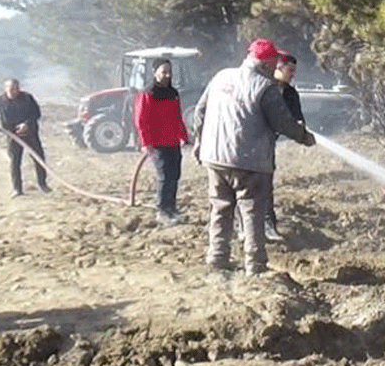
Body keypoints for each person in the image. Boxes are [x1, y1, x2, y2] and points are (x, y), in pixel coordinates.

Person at [193, 38, 316, 276]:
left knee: (220, 207)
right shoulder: (264, 87)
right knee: (252, 211)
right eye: (274, 62)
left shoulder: (221, 77)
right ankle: (255, 264)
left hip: (215, 157)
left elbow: (200, 110)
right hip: (248, 160)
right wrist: (304, 137)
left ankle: (217, 257)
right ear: (268, 62)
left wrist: (199, 141)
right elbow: (282, 123)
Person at [134, 58, 190, 226]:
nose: (167, 75)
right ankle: (162, 211)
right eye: (163, 72)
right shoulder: (147, 93)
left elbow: (177, 117)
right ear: (155, 72)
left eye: (169, 72)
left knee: (175, 175)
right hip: (157, 144)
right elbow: (141, 120)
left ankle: (172, 208)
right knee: (164, 176)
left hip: (173, 142)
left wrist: (184, 136)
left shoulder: (173, 93)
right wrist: (145, 142)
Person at [0, 78, 49, 197]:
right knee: (15, 162)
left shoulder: (27, 98)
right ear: (5, 89)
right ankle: (17, 189)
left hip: (30, 134)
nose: (15, 91)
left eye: (17, 88)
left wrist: (27, 124)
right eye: (12, 89)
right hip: (12, 135)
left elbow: (36, 113)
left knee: (39, 158)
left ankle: (42, 184)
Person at [264, 52, 304, 241]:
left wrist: (300, 129)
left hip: (267, 146)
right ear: (278, 67)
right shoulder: (263, 87)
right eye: (290, 70)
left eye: (294, 70)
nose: (293, 74)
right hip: (250, 144)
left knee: (265, 185)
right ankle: (244, 227)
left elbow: (297, 118)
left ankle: (268, 225)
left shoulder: (290, 93)